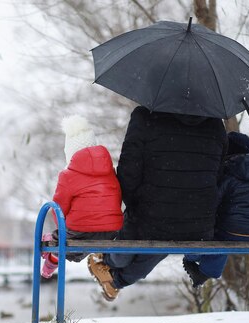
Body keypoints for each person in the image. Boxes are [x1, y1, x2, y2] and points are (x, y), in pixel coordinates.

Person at [88, 106, 227, 301]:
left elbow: (128, 169)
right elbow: (218, 175)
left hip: (150, 216)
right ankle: (115, 280)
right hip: (198, 224)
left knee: (137, 234)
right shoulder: (215, 124)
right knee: (161, 238)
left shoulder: (146, 116)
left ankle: (104, 259)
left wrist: (136, 203)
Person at [182, 131, 249, 287]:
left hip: (228, 232)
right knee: (223, 238)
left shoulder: (226, 174)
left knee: (216, 237)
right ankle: (204, 272)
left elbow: (212, 202)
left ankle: (192, 260)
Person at [41, 115, 123, 278]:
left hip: (80, 231)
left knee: (63, 242)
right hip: (112, 230)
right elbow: (117, 198)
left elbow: (59, 210)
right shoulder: (110, 172)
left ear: (70, 152)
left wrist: (63, 228)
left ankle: (51, 262)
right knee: (75, 238)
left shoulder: (68, 175)